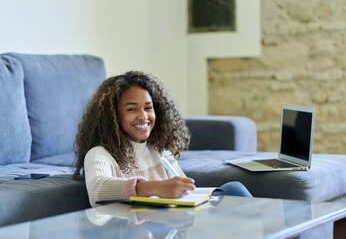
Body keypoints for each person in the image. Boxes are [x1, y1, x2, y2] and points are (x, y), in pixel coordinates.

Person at [74, 71, 252, 207]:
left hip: (178, 221)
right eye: (131, 109)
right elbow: (98, 188)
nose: (143, 116)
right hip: (140, 227)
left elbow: (186, 192)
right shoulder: (99, 154)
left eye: (148, 108)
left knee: (234, 189)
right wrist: (155, 187)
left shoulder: (159, 151)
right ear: (111, 115)